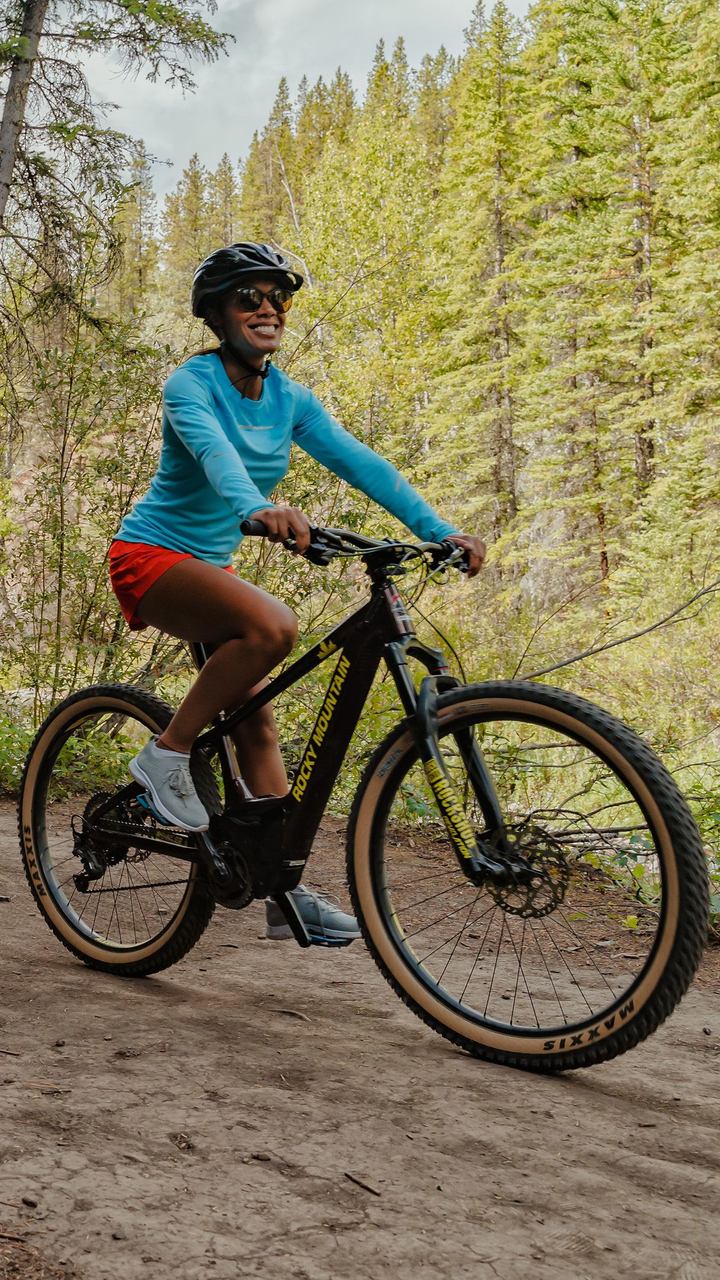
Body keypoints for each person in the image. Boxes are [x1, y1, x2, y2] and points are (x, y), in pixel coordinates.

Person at [110, 242, 487, 944]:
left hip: (209, 571)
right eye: (248, 298)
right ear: (218, 313)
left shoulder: (289, 399)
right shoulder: (190, 384)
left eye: (276, 297)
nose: (267, 309)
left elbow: (363, 464)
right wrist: (255, 506)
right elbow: (214, 452)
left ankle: (278, 886)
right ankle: (166, 756)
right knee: (273, 628)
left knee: (257, 719)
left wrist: (442, 530)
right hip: (150, 557)